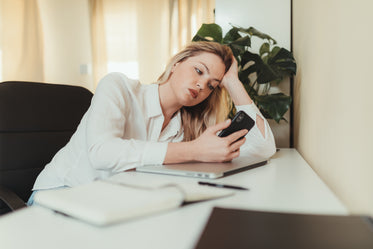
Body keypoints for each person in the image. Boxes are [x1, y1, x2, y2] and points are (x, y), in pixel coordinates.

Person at [27, 41, 276, 205]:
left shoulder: (185, 127)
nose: (202, 85)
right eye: (199, 71)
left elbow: (263, 148)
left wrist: (232, 82)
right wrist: (195, 150)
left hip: (111, 205)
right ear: (177, 64)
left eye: (212, 85)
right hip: (61, 196)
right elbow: (102, 154)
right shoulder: (118, 87)